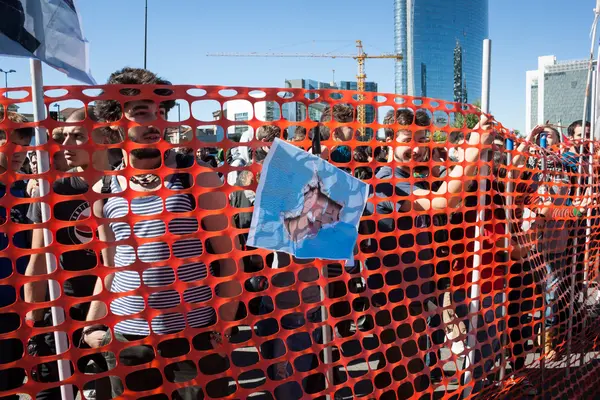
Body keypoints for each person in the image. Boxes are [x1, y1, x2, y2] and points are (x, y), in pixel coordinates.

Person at [81, 67, 237, 400]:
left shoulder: (197, 179)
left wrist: (224, 325)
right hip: (126, 341)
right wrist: (93, 326)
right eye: (142, 112)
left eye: (161, 112)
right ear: (114, 123)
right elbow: (110, 268)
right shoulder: (104, 190)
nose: (155, 121)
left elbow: (230, 260)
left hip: (194, 339)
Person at [22, 108, 111, 400]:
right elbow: (37, 260)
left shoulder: (123, 188)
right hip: (61, 313)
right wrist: (32, 323)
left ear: (105, 138)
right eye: (65, 137)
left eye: (78, 136)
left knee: (112, 390)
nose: (67, 145)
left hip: (114, 312)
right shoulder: (54, 190)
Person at [0, 112, 34, 400]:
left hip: (20, 309)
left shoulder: (27, 188)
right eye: (10, 141)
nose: (18, 151)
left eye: (24, 143)